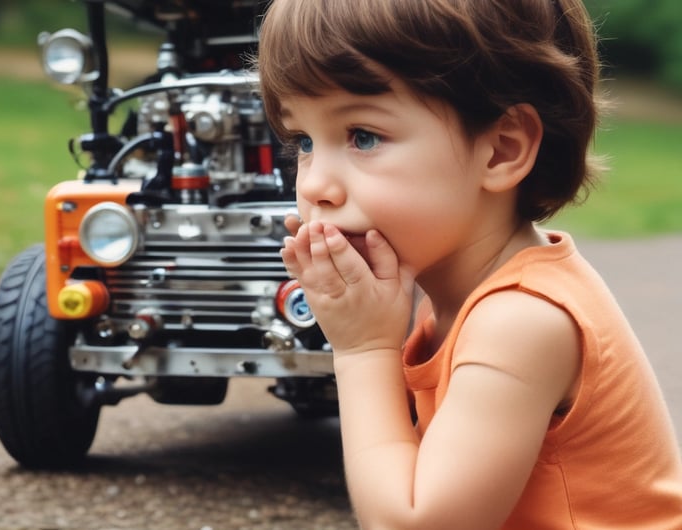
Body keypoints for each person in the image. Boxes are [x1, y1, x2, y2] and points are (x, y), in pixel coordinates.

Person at [255, 0, 682, 528]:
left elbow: (414, 523)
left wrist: (364, 350)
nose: (315, 185)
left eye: (363, 136)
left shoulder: (520, 320)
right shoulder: (455, 297)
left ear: (502, 150)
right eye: (303, 141)